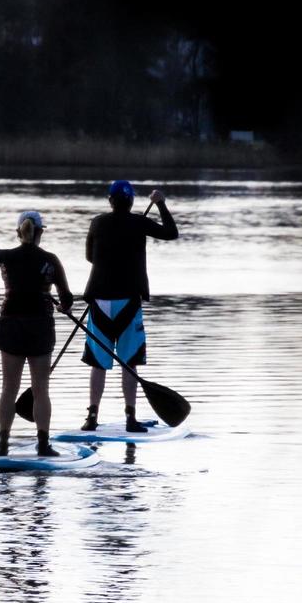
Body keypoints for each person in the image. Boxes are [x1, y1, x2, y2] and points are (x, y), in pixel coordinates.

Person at [0, 210, 76, 457]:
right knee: (41, 389)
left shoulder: (5, 256)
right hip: (40, 326)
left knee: (9, 388)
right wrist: (64, 307)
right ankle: (43, 445)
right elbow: (67, 298)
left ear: (19, 232)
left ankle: (2, 445)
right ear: (40, 232)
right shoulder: (50, 260)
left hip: (11, 325)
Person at [81, 181, 179, 433]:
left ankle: (92, 417)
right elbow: (171, 232)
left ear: (110, 200)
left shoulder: (97, 222)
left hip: (99, 302)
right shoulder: (139, 223)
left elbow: (90, 257)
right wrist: (160, 204)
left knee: (99, 363)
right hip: (128, 302)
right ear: (132, 202)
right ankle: (130, 418)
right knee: (129, 362)